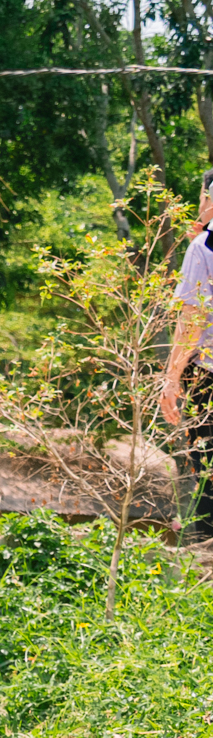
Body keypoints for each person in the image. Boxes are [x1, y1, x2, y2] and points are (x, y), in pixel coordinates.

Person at [162, 167, 213, 540]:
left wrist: (171, 377)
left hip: (208, 374)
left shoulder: (203, 247)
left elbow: (192, 319)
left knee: (207, 468)